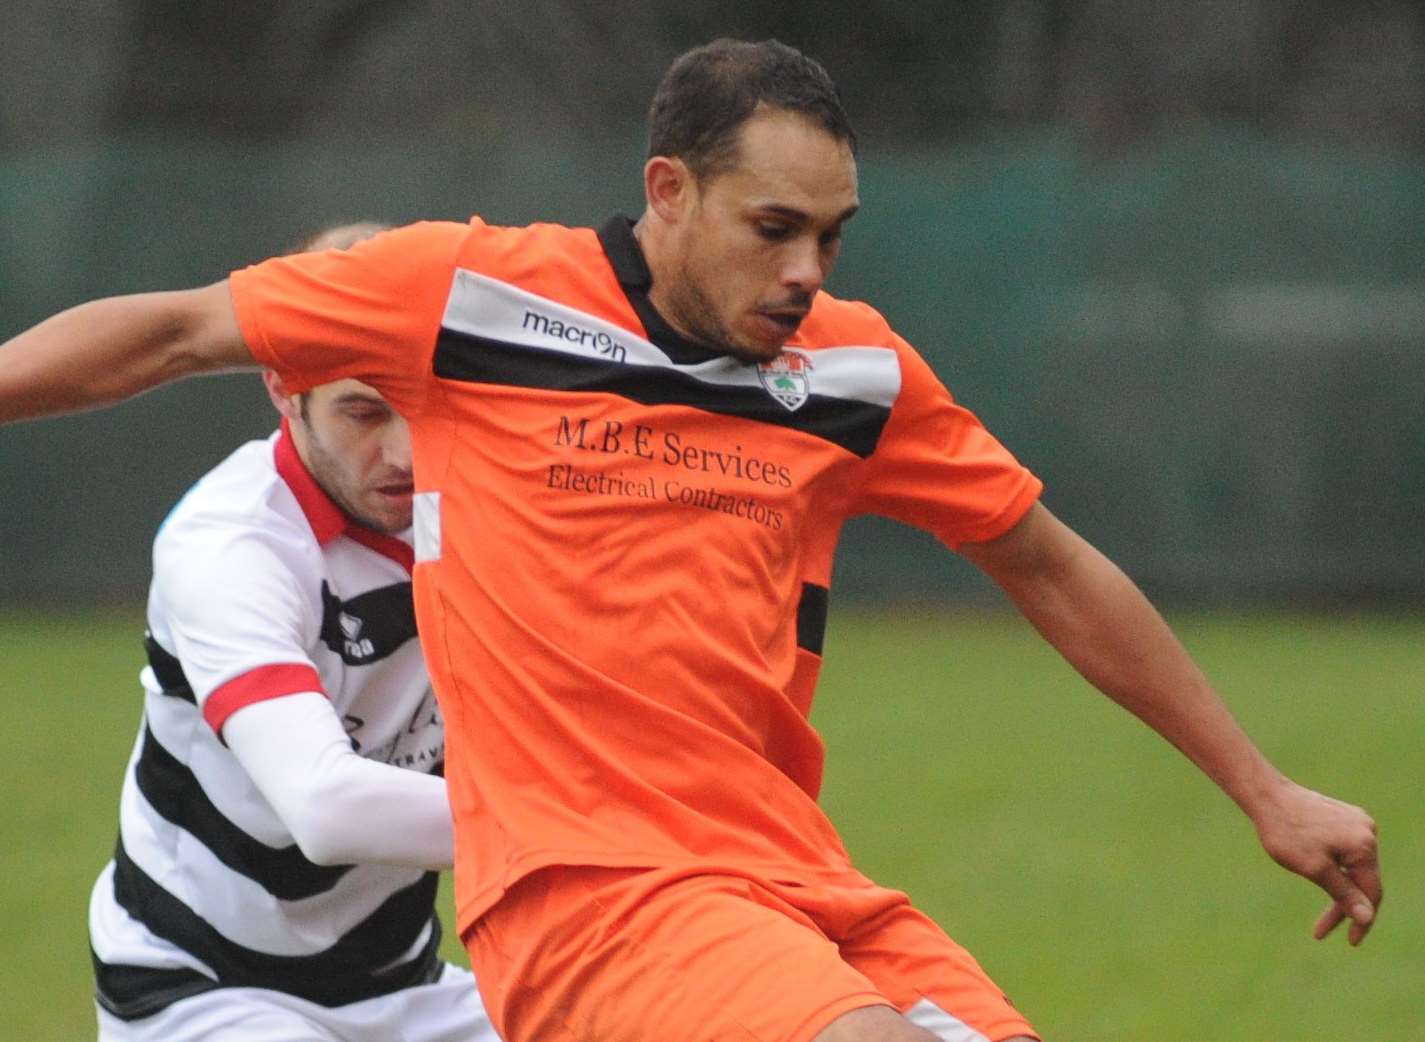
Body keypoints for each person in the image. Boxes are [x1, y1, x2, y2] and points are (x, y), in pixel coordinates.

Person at [2, 40, 1380, 1042]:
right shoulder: (467, 300)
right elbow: (169, 330)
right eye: (772, 230)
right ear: (668, 190)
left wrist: (1263, 786)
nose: (806, 274)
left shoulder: (852, 375)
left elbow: (1048, 562)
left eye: (831, 239)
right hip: (586, 901)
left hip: (792, 879)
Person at [84, 224, 499, 1042]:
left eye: (426, 403)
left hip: (405, 989)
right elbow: (327, 807)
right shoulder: (232, 541)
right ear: (283, 384)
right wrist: (602, 828)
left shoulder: (489, 507)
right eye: (362, 411)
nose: (406, 452)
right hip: (196, 987)